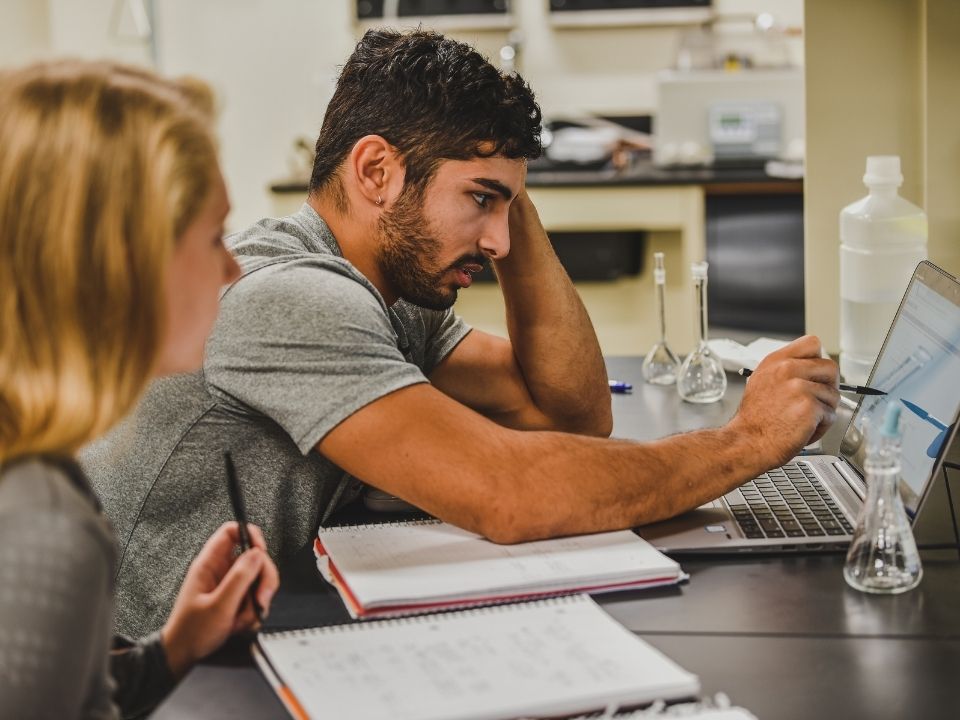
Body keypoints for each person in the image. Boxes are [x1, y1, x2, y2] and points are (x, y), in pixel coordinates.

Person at [83, 29, 839, 638]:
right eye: (478, 198)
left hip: (225, 633)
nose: (501, 239)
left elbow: (570, 413)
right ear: (376, 170)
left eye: (508, 206)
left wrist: (505, 195)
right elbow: (509, 493)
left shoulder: (387, 290)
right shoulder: (290, 296)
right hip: (128, 667)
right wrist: (747, 441)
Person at [0, 61, 279, 718]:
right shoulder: (42, 528)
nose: (233, 267)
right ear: (127, 260)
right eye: (215, 236)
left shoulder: (31, 463)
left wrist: (176, 646)